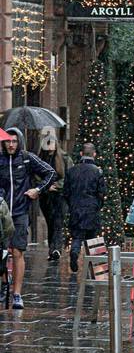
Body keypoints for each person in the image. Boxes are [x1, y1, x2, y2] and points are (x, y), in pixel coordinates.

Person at [0, 128, 56, 309]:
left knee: (17, 252)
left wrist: (37, 190)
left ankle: (16, 293)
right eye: (8, 141)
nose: (11, 144)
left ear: (20, 142)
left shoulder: (27, 158)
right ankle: (3, 284)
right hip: (1, 214)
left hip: (19, 212)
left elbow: (50, 173)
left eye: (14, 141)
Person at [62, 142, 105, 276]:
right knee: (91, 240)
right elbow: (102, 193)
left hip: (76, 208)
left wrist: (72, 205)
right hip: (91, 209)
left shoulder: (71, 171)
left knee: (76, 237)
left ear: (81, 154)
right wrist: (98, 205)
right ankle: (90, 267)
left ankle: (74, 252)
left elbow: (66, 192)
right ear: (94, 154)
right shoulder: (97, 171)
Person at [36, 129, 68, 261]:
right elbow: (36, 176)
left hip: (59, 196)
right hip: (46, 196)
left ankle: (56, 249)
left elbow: (68, 177)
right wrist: (46, 186)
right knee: (50, 223)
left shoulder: (64, 158)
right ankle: (52, 249)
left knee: (58, 222)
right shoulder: (40, 159)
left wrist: (58, 186)